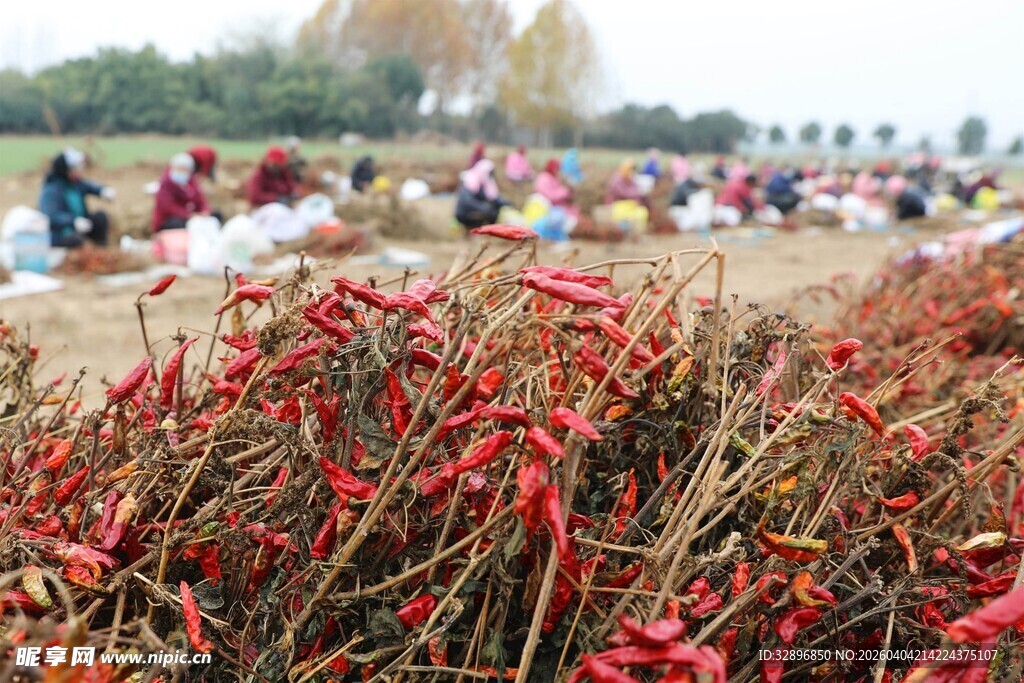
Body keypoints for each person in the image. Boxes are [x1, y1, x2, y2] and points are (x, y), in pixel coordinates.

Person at [38, 148, 114, 248]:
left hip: (82, 225)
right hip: (62, 232)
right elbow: (51, 216)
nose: (79, 170)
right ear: (66, 170)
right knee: (74, 240)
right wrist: (73, 221)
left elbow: (89, 186)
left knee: (100, 218)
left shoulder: (76, 183)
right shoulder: (51, 190)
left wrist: (102, 190)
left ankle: (102, 247)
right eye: (75, 168)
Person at [152, 153, 212, 232]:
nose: (182, 172)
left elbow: (201, 201)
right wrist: (188, 215)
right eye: (179, 169)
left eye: (185, 170)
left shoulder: (192, 182)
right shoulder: (166, 184)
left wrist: (205, 211)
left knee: (214, 216)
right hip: (170, 220)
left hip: (191, 217)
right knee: (177, 224)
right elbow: (168, 208)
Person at [455, 159, 509, 230]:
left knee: (495, 211)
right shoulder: (469, 181)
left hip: (477, 210)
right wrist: (483, 207)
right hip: (465, 214)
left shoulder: (485, 183)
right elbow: (467, 201)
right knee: (489, 212)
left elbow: (494, 198)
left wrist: (506, 203)